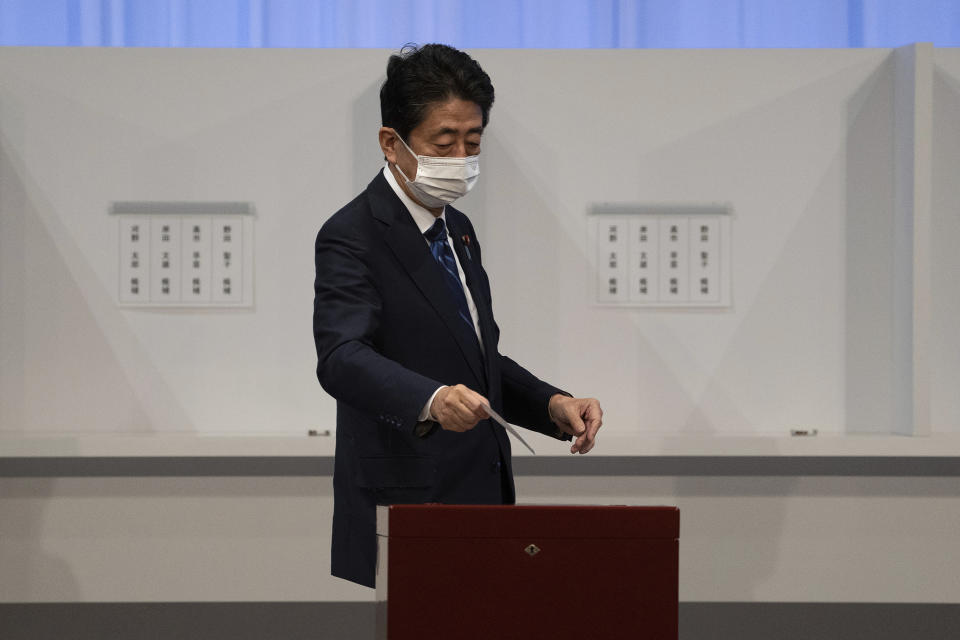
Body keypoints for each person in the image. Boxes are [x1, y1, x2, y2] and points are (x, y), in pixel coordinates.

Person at [313, 43, 603, 588]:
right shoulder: (351, 235)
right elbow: (341, 358)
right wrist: (431, 398)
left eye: (473, 142)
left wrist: (551, 403)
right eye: (444, 142)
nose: (461, 158)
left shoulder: (459, 230)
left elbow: (476, 358)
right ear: (390, 143)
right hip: (409, 496)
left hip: (480, 492)